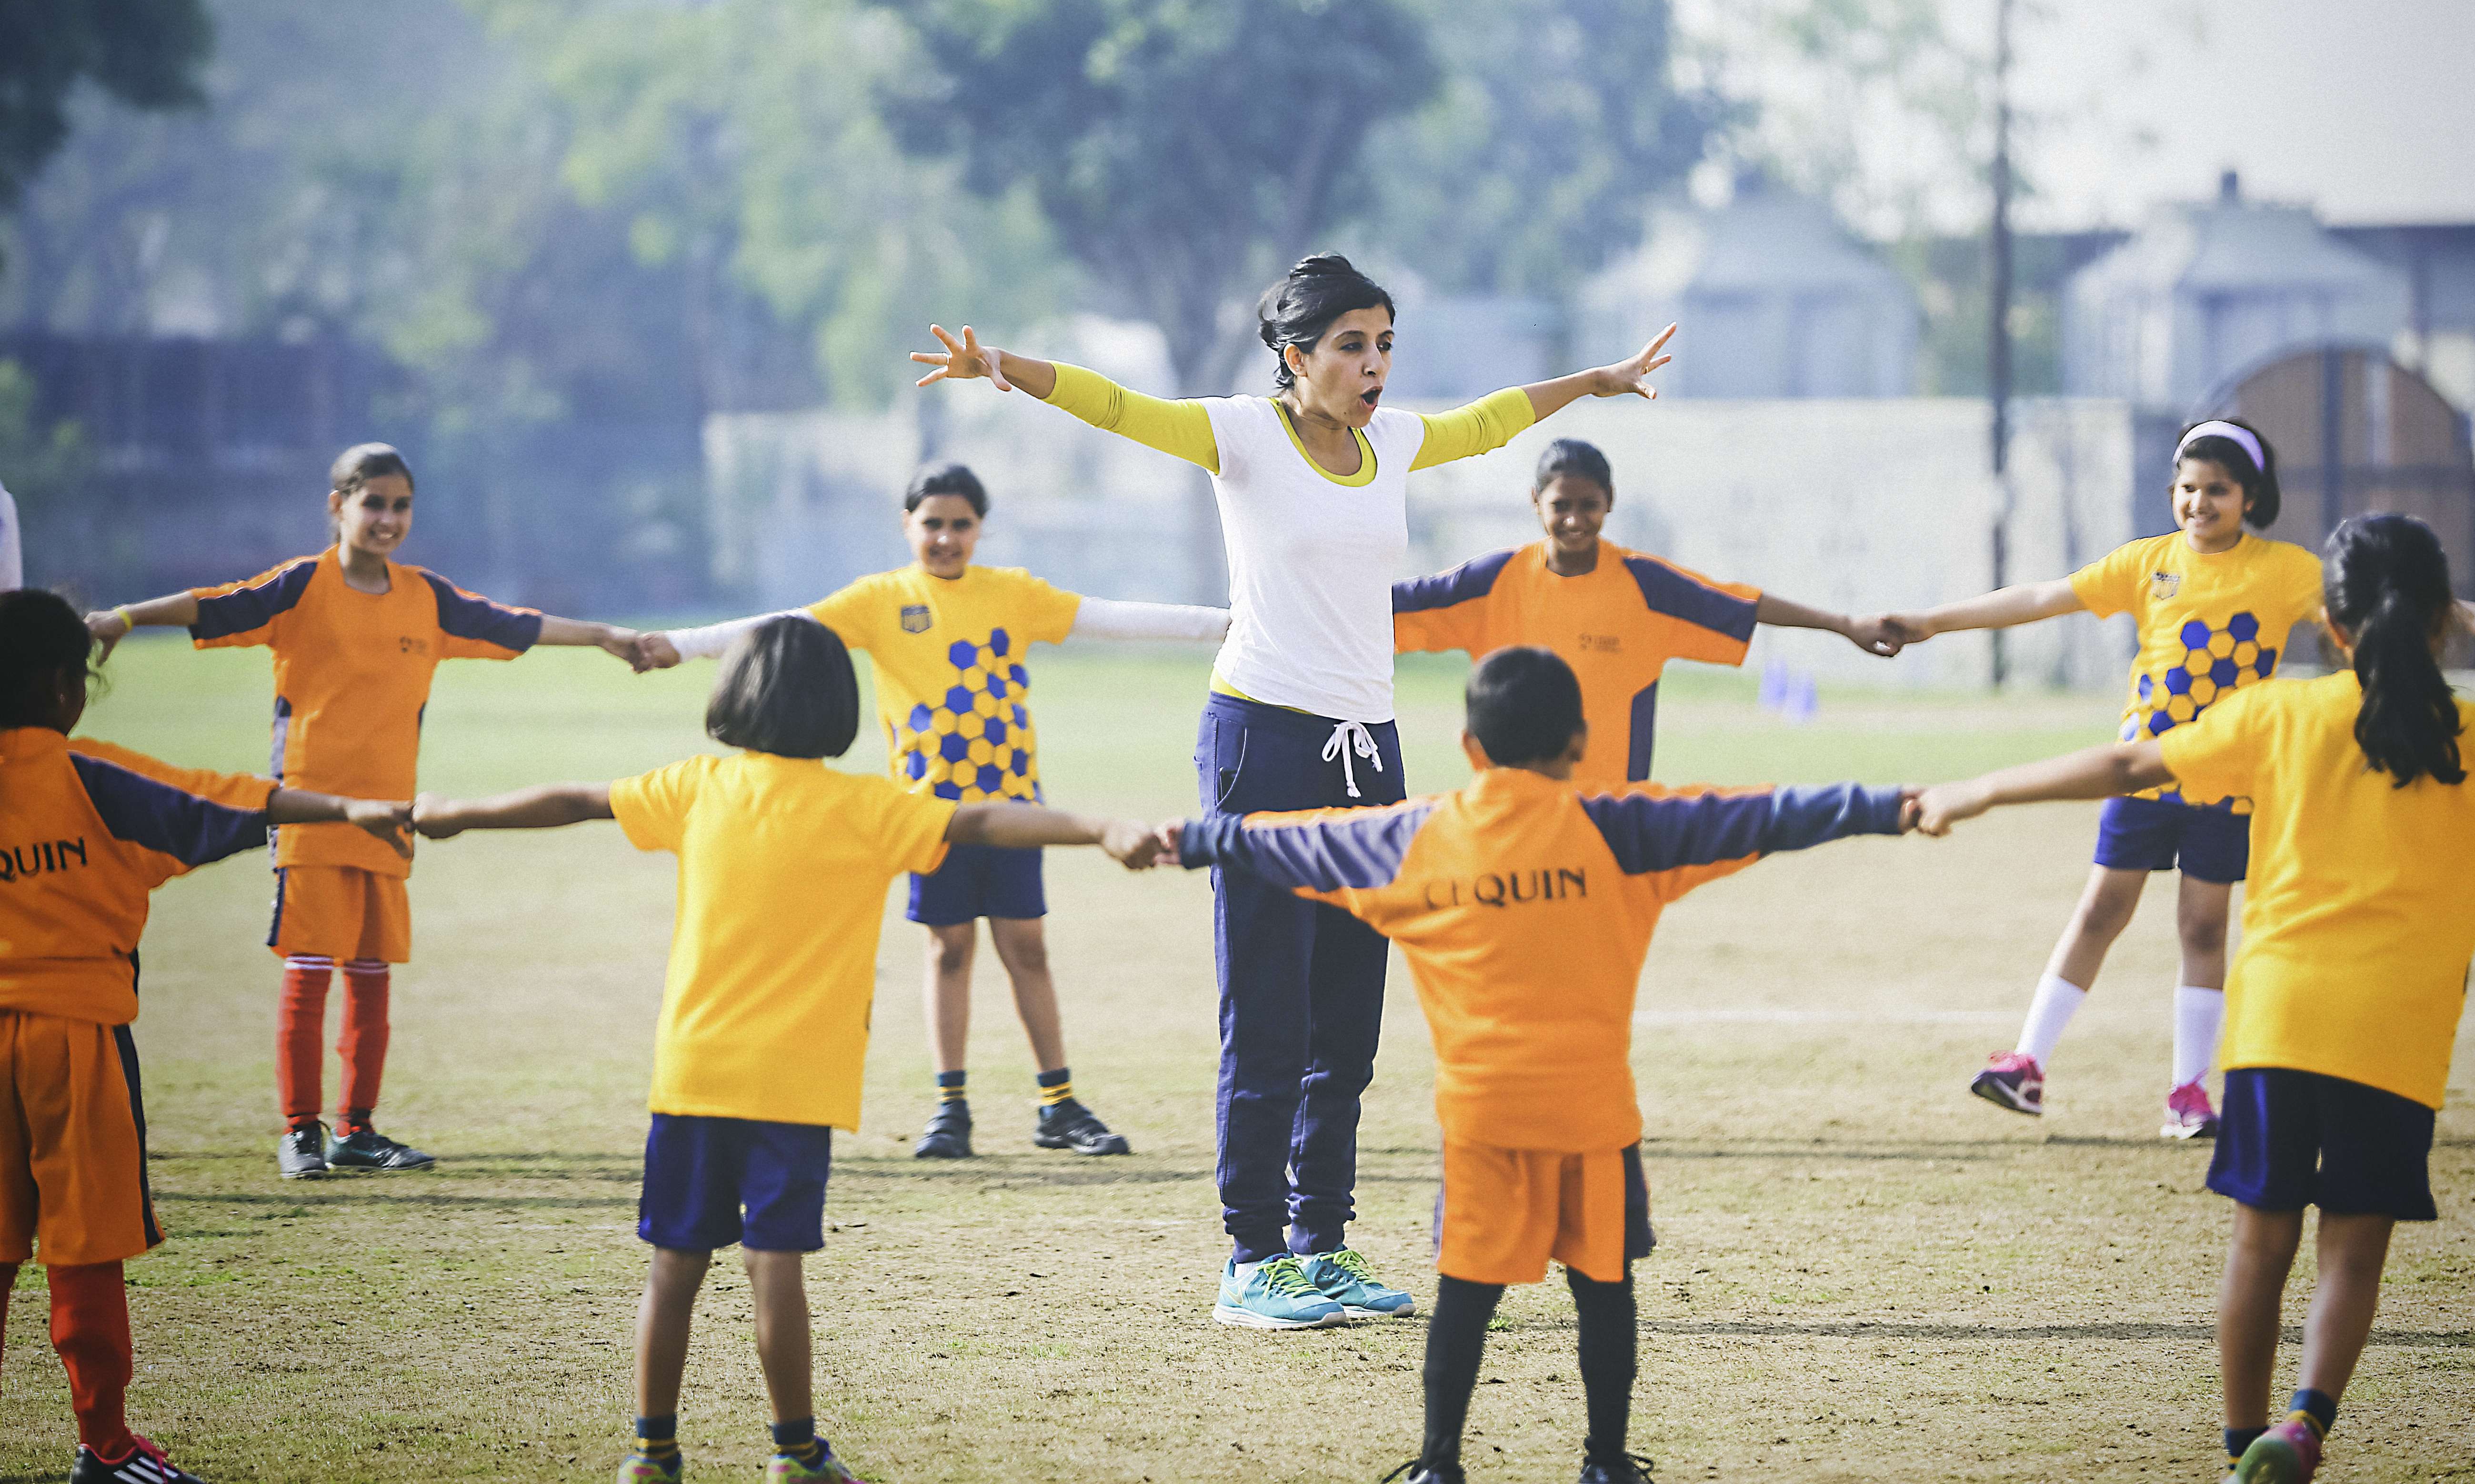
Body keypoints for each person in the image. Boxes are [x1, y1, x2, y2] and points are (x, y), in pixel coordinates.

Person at [911, 253, 1674, 1331]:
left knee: (1345, 1026)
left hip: (1367, 753)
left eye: (1384, 344)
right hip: (1261, 742)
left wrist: (1590, 380)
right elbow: (1118, 404)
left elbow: (1490, 421)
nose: (1373, 365)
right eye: (1352, 345)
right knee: (1266, 1017)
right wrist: (998, 365)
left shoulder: (1391, 442)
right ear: (1294, 355)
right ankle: (1249, 1255)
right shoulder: (1239, 434)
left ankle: (1318, 1241)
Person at [1908, 512, 2475, 1484]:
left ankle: (2237, 1451)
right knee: (2352, 1253)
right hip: (2396, 1039)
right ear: (2444, 622)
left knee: (2259, 1248)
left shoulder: (2281, 717)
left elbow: (2130, 765)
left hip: (2277, 1027)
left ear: (2331, 629)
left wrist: (1983, 788)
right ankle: (2303, 1427)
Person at [411, 616, 1162, 1484]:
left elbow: (578, 800)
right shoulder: (870, 808)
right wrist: (1102, 827)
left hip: (693, 1076)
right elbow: (990, 819)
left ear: (733, 695)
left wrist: (454, 814)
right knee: (777, 1268)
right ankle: (795, 1453)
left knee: (673, 1270)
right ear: (837, 708)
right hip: (797, 1088)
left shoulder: (697, 786)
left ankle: (653, 1455)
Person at [1160, 646, 1912, 1484]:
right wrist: (1886, 806)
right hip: (1593, 1122)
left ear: (1470, 746)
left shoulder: (1423, 836)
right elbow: (1761, 814)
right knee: (1603, 1291)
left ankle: (1440, 1464)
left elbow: (1298, 842)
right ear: (1580, 743)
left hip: (1485, 1123)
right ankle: (1606, 1462)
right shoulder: (1620, 829)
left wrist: (1194, 838)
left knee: (1468, 1298)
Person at [82, 442, 653, 1181]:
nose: (388, 518)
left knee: (374, 979)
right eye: (373, 502)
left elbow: (515, 624)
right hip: (314, 812)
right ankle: (301, 1132)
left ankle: (358, 1131)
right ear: (338, 506)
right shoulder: (301, 588)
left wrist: (604, 635)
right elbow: (214, 605)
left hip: (392, 817)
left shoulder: (429, 600)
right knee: (310, 974)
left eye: (401, 505)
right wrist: (126, 617)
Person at [642, 461, 1227, 1159]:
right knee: (949, 952)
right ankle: (951, 1109)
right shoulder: (879, 600)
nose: (946, 539)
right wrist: (678, 646)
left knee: (1028, 949)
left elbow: (1113, 618)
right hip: (926, 818)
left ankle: (1058, 1104)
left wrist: (1226, 625)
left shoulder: (1012, 593)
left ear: (981, 529)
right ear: (907, 526)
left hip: (1015, 812)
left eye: (961, 525)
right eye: (932, 525)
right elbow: (783, 628)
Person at [0, 588, 411, 1484]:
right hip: (74, 1044)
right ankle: (105, 1448)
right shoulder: (88, 778)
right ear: (66, 690)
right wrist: (348, 810)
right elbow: (217, 803)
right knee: (85, 1245)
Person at [1870, 419, 2320, 1137]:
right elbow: (2040, 599)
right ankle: (2026, 1065)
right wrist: (1932, 622)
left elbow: (2370, 617)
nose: (2200, 504)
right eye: (2188, 488)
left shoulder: (2288, 570)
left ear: (2251, 497)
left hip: (2230, 783)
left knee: (2203, 928)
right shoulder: (2150, 563)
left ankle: (2188, 1096)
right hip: (2137, 776)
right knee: (2100, 912)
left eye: (2219, 491)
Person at [1392, 437, 1898, 788]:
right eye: (1560, 504)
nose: (1574, 519)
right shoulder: (1495, 581)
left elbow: (1740, 603)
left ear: (1610, 502)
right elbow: (1405, 603)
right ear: (1535, 502)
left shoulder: (1647, 588)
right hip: (1510, 810)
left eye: (1588, 505)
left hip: (1614, 812)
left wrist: (1844, 625)